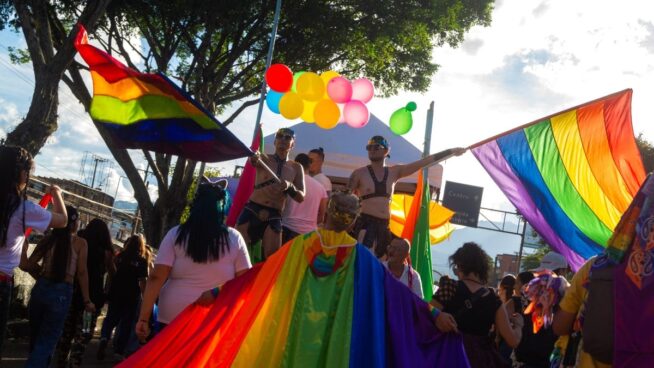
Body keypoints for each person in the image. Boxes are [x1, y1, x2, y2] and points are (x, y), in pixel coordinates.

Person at [120, 191, 468, 368]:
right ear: (352, 221)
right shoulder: (362, 259)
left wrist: (218, 291)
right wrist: (434, 315)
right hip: (337, 343)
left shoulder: (302, 247)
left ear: (328, 212)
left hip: (294, 337)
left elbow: (257, 276)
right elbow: (402, 297)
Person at [135, 179, 251, 341]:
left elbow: (156, 277)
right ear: (223, 208)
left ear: (194, 206)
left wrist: (143, 318)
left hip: (172, 314)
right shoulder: (234, 238)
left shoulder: (175, 234)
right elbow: (246, 281)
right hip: (213, 317)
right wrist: (216, 292)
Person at [0, 146, 67, 358]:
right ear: (20, 173)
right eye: (27, 172)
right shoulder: (23, 208)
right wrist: (56, 194)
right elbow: (62, 220)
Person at [348, 135, 465, 257]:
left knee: (382, 267)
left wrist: (450, 152)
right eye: (369, 147)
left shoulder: (395, 172)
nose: (371, 150)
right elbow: (343, 201)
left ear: (386, 150)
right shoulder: (359, 174)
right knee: (364, 263)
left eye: (376, 147)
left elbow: (424, 162)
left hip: (385, 226)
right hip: (366, 225)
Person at [21, 206, 95, 367]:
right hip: (62, 292)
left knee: (36, 338)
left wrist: (24, 250)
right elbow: (82, 272)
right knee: (47, 341)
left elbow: (27, 265)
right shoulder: (80, 243)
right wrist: (87, 299)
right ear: (74, 223)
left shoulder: (48, 239)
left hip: (41, 289)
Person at [430, 242, 523, 367]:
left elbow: (427, 313)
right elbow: (513, 341)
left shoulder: (450, 287)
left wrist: (438, 316)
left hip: (449, 355)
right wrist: (519, 325)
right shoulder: (494, 300)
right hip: (480, 360)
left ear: (461, 266)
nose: (457, 272)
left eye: (456, 267)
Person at [54, 218, 115, 367]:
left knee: (66, 333)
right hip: (91, 301)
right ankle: (74, 363)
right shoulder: (106, 252)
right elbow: (113, 273)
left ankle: (60, 362)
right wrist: (106, 292)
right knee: (83, 335)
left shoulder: (80, 243)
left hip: (73, 293)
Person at [237, 127, 305, 259]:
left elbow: (301, 197)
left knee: (271, 259)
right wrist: (254, 157)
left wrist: (290, 186)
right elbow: (253, 159)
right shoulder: (263, 158)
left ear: (293, 143)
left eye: (287, 137)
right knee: (238, 253)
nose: (283, 139)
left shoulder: (296, 167)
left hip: (274, 215)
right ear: (274, 141)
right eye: (280, 136)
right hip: (252, 210)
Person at [97, 234, 148, 361]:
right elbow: (142, 281)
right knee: (126, 323)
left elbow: (111, 275)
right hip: (131, 296)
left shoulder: (119, 257)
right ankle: (119, 351)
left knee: (110, 318)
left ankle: (104, 337)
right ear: (141, 246)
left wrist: (107, 290)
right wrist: (145, 296)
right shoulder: (141, 261)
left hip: (116, 293)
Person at [281, 153, 328, 244]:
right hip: (309, 235)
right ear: (309, 166)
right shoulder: (321, 188)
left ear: (295, 165)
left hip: (287, 228)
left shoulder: (288, 184)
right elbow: (322, 217)